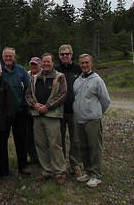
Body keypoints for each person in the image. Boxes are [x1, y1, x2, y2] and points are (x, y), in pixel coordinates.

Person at [26, 53, 67, 184]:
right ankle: (46, 170)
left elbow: (62, 94)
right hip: (37, 115)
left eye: (49, 62)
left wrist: (48, 107)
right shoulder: (35, 78)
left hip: (52, 116)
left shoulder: (59, 77)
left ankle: (60, 171)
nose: (46, 64)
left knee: (55, 144)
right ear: (41, 64)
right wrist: (35, 105)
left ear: (53, 63)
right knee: (41, 144)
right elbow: (28, 94)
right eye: (44, 62)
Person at [73, 54, 111, 188]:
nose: (84, 65)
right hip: (80, 120)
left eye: (86, 63)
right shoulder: (77, 81)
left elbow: (105, 100)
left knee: (95, 147)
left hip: (93, 120)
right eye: (82, 63)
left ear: (91, 64)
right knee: (83, 147)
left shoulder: (97, 81)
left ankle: (96, 174)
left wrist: (97, 113)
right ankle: (88, 171)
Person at [0, 47, 31, 175]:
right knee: (2, 141)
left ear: (14, 58)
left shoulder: (21, 71)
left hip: (19, 111)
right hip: (3, 112)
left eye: (10, 56)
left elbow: (28, 89)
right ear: (2, 58)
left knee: (21, 139)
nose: (8, 59)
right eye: (6, 56)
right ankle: (3, 168)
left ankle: (22, 165)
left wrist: (27, 105)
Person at [54, 44, 83, 177]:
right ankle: (61, 165)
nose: (65, 56)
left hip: (74, 111)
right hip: (59, 110)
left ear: (72, 54)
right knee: (59, 140)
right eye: (62, 54)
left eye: (67, 54)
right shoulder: (56, 70)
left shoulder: (79, 68)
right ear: (59, 56)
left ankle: (75, 164)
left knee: (76, 139)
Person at [26, 57, 41, 165]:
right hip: (28, 109)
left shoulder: (42, 76)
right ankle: (33, 157)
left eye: (35, 65)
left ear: (39, 66)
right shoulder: (27, 75)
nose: (33, 67)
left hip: (40, 109)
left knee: (40, 136)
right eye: (32, 65)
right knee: (29, 135)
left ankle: (42, 157)